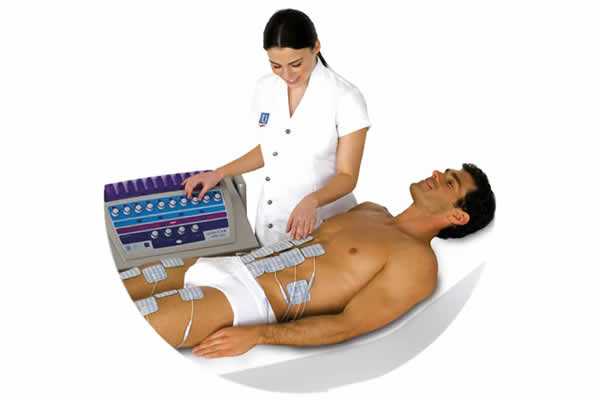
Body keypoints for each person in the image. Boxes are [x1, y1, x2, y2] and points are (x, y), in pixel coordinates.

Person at [122, 163, 495, 358]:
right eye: (445, 172)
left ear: (457, 216)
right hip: (227, 262)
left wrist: (259, 335)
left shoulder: (418, 264)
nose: (437, 174)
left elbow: (349, 325)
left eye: (450, 183)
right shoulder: (369, 210)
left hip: (244, 302)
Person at [181, 9, 371, 245]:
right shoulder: (265, 88)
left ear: (316, 47)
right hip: (272, 222)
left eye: (296, 64)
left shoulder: (345, 97)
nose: (287, 75)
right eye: (276, 65)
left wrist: (312, 200)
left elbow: (347, 176)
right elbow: (272, 150)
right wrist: (219, 173)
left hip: (326, 224)